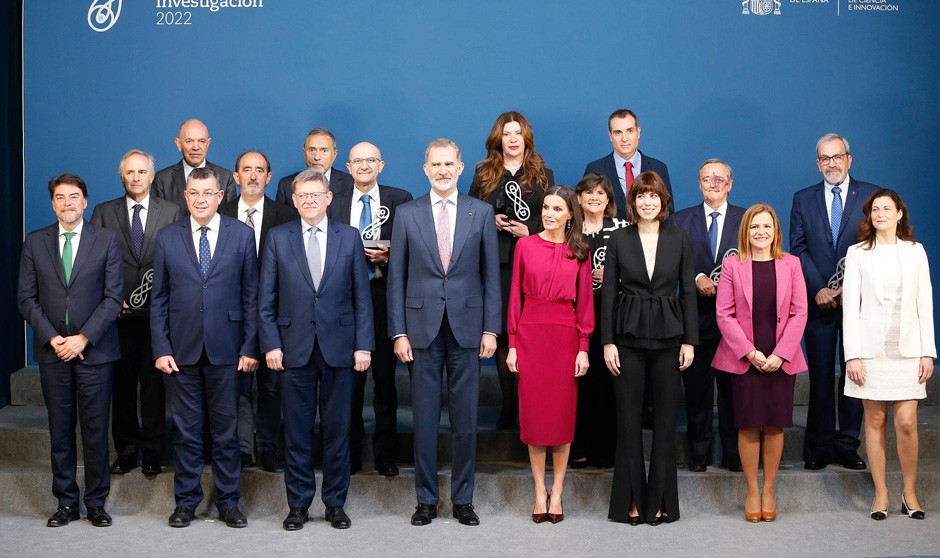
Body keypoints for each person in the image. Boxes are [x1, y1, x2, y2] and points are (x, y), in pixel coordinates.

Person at [387, 139, 500, 527]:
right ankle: (425, 500)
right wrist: (398, 332)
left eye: (449, 163)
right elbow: (396, 280)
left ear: (460, 166)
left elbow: (491, 278)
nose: (442, 170)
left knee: (465, 421)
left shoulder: (480, 212)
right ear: (425, 169)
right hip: (421, 330)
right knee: (424, 420)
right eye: (435, 164)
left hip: (468, 329)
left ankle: (464, 500)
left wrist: (491, 329)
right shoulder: (406, 214)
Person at [259, 169, 374, 530]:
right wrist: (272, 344)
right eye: (302, 196)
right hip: (293, 350)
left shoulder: (349, 237)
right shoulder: (277, 238)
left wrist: (364, 346)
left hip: (340, 349)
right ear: (294, 201)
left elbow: (362, 299)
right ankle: (297, 504)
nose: (309, 201)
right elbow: (265, 301)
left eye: (316, 195)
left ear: (328, 198)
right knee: (296, 432)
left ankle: (336, 504)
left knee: (338, 433)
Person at [150, 166, 259, 529]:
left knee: (227, 433)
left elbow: (251, 297)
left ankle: (229, 502)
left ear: (219, 196)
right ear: (186, 196)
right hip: (180, 352)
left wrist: (249, 347)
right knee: (186, 433)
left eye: (208, 193)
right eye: (194, 193)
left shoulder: (242, 236)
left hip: (228, 352)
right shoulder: (167, 238)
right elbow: (159, 300)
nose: (201, 200)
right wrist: (161, 348)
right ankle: (186, 502)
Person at [18, 173, 123, 528]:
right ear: (53, 204)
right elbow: (26, 299)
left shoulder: (106, 241)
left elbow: (113, 298)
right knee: (60, 431)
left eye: (74, 196)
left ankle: (96, 502)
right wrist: (52, 338)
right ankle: (65, 502)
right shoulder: (35, 242)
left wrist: (83, 338)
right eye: (61, 197)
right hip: (53, 353)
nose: (68, 203)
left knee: (95, 431)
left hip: (95, 352)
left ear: (85, 201)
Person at [601, 171, 696, 525]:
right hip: (627, 339)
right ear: (633, 201)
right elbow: (609, 293)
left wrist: (690, 340)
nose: (647, 202)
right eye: (641, 196)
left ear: (663, 201)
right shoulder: (619, 239)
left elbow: (687, 292)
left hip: (670, 339)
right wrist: (608, 341)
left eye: (653, 196)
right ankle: (631, 500)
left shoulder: (679, 237)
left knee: (665, 424)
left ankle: (658, 500)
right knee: (628, 423)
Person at [712, 203, 808, 523]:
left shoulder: (791, 264)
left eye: (767, 226)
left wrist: (781, 353)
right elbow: (724, 314)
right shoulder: (732, 265)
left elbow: (799, 312)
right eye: (755, 227)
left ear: (776, 231)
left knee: (775, 425)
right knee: (750, 424)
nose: (761, 232)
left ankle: (770, 489)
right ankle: (752, 489)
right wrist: (750, 353)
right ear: (746, 231)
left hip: (782, 356)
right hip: (745, 358)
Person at [842, 189, 935, 521]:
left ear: (899, 214)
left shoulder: (915, 251)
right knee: (876, 420)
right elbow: (850, 308)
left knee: (906, 421)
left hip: (908, 350)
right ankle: (881, 492)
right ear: (870, 216)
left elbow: (925, 303)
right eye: (875, 209)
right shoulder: (857, 254)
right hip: (869, 352)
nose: (880, 213)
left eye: (887, 208)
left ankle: (909, 493)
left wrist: (928, 352)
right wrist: (852, 356)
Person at [90, 150, 183, 476]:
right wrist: (111, 301)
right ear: (122, 177)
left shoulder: (171, 212)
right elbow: (93, 262)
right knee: (123, 387)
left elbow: (177, 262)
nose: (136, 177)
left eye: (142, 171)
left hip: (157, 317)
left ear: (152, 176)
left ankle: (154, 451)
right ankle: (127, 451)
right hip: (117, 318)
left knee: (155, 388)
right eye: (130, 172)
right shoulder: (104, 212)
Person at [790, 133, 879, 471]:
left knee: (855, 375)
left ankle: (847, 445)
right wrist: (819, 289)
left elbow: (876, 245)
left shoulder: (871, 195)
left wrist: (849, 287)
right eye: (824, 159)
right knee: (822, 375)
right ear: (818, 163)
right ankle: (819, 446)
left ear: (849, 159)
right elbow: (798, 247)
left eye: (837, 157)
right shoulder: (803, 198)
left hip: (859, 303)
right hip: (818, 301)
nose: (831, 163)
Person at [506, 185, 593, 524]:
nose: (550, 214)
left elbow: (584, 302)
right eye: (546, 208)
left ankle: (557, 491)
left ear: (571, 213)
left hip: (565, 337)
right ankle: (538, 490)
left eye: (558, 209)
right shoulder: (524, 245)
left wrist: (584, 348)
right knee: (535, 417)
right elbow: (515, 295)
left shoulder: (580, 251)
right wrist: (512, 343)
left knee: (560, 418)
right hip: (530, 334)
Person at [328, 141, 413, 476]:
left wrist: (389, 257)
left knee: (385, 381)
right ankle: (350, 453)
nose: (364, 165)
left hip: (383, 296)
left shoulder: (400, 200)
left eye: (370, 160)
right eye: (357, 160)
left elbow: (412, 252)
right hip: (345, 301)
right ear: (347, 167)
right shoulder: (333, 202)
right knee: (348, 382)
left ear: (382, 165)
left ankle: (385, 454)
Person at [469, 111, 554, 429]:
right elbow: (466, 214)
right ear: (498, 139)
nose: (513, 139)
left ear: (527, 138)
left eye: (519, 133)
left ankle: (530, 404)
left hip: (535, 262)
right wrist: (487, 220)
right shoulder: (484, 174)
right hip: (498, 262)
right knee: (504, 333)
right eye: (507, 134)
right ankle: (508, 406)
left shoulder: (544, 175)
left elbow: (556, 216)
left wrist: (528, 231)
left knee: (532, 334)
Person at [219, 151, 295, 471]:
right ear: (235, 177)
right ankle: (239, 448)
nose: (252, 176)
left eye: (259, 170)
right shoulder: (218, 213)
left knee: (271, 385)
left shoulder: (286, 215)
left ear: (268, 177)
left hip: (274, 315)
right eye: (246, 170)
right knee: (234, 385)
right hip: (229, 315)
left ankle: (268, 447)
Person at [669, 159, 745, 473]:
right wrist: (696, 278)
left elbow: (759, 264)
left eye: (719, 178)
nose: (712, 183)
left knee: (732, 393)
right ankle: (698, 454)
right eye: (706, 178)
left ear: (729, 183)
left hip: (736, 322)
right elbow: (668, 265)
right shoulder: (679, 220)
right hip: (694, 319)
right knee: (697, 392)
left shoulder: (747, 219)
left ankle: (732, 454)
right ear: (698, 183)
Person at [569, 173, 627, 470]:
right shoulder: (569, 230)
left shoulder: (622, 229)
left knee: (608, 383)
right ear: (578, 198)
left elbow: (639, 271)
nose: (594, 198)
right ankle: (579, 447)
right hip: (574, 317)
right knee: (579, 383)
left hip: (612, 318)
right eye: (588, 193)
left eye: (600, 193)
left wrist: (612, 275)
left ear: (609, 199)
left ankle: (606, 450)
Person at [584, 109, 674, 219]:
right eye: (618, 133)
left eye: (630, 131)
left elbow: (668, 212)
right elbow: (587, 213)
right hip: (609, 235)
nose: (624, 139)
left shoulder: (658, 168)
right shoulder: (595, 168)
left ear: (638, 132)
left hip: (650, 234)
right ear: (610, 136)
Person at [152, 119, 237, 212]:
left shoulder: (225, 178)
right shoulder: (163, 179)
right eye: (189, 141)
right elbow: (159, 219)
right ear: (179, 144)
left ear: (208, 144)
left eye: (201, 141)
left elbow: (230, 221)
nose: (196, 147)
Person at [275, 127, 354, 203]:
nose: (317, 157)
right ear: (304, 152)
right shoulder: (286, 185)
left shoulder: (350, 183)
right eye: (311, 150)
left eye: (324, 151)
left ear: (335, 154)